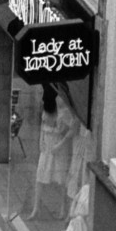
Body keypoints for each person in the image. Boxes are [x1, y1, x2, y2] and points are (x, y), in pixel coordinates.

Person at [28, 85, 77, 220]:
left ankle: (63, 208)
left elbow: (72, 129)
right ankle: (36, 208)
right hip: (47, 145)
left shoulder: (63, 110)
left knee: (60, 178)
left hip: (58, 146)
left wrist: (59, 145)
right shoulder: (47, 109)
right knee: (40, 175)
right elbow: (43, 126)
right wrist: (41, 141)